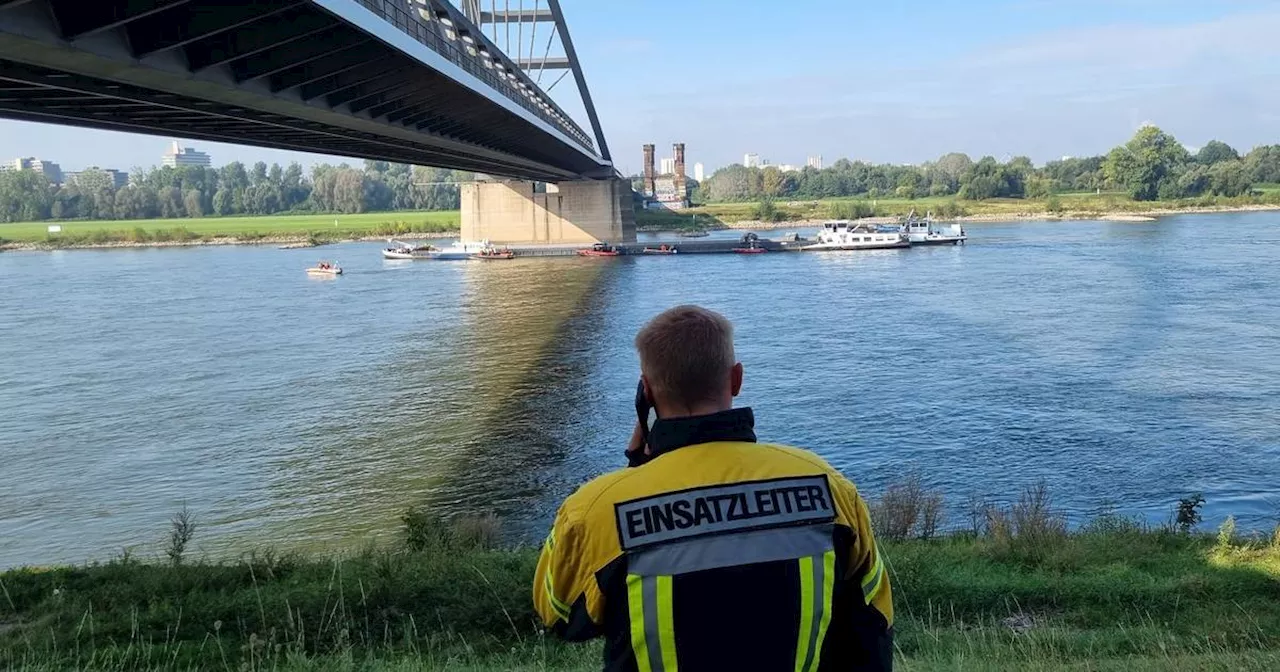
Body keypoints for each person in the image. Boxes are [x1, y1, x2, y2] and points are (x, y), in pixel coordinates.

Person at [533, 305, 893, 671]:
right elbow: (873, 622)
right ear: (736, 379)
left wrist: (636, 475)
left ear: (648, 393)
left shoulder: (596, 510)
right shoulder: (828, 487)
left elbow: (560, 615)